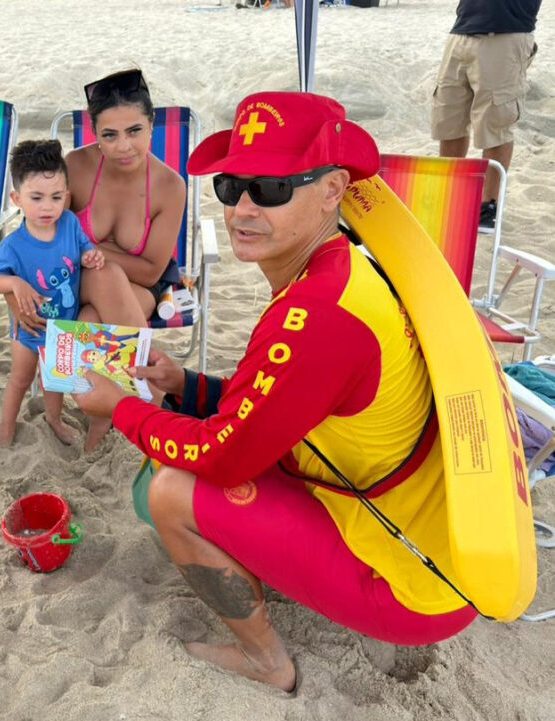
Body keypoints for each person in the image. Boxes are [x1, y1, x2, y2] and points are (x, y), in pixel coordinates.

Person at [75, 92, 478, 693]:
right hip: (415, 518)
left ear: (334, 189)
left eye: (270, 189)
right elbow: (278, 406)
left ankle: (268, 662)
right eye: (232, 184)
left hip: (412, 579)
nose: (241, 208)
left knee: (169, 491)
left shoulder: (318, 314)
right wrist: (184, 384)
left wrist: (121, 407)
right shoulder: (343, 266)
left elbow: (224, 454)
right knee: (175, 457)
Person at [0, 140, 106, 447]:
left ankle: (54, 418)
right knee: (21, 379)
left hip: (64, 326)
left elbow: (83, 250)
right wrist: (15, 284)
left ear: (66, 196)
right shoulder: (14, 245)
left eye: (55, 197)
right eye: (36, 198)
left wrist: (91, 257)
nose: (47, 206)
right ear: (17, 199)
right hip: (29, 329)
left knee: (56, 379)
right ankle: (6, 428)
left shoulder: (68, 223)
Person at [65, 69, 187, 321]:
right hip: (76, 280)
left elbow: (151, 273)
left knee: (90, 317)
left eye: (134, 131)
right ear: (95, 132)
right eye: (109, 135)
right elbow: (49, 236)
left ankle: (70, 362)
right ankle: (140, 360)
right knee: (104, 276)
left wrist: (84, 248)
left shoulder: (169, 186)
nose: (123, 146)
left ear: (152, 124)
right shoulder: (77, 166)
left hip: (140, 287)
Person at [431, 0, 540, 232]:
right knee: (449, 120)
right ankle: (450, 195)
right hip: (462, 29)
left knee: (496, 122)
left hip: (506, 33)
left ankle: (488, 205)